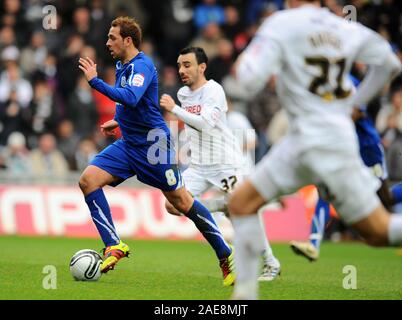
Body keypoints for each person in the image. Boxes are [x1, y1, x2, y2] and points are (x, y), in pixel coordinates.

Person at [227, 0, 402, 300]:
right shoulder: (342, 27)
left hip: (309, 141)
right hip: (330, 140)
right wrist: (355, 102)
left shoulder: (281, 23)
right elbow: (391, 64)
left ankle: (245, 295)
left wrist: (241, 66)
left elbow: (248, 79)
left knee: (242, 204)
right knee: (378, 232)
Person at [78, 17, 232, 281]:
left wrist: (95, 82)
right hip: (129, 144)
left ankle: (224, 253)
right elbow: (135, 104)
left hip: (154, 146)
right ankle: (114, 244)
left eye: (112, 38)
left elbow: (131, 96)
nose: (107, 42)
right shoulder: (122, 64)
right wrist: (120, 120)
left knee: (181, 202)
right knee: (88, 180)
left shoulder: (143, 66)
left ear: (127, 40)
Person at [160, 47, 280, 284]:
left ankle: (271, 263)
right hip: (199, 166)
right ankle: (223, 205)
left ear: (201, 67)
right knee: (172, 205)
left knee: (245, 212)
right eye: (180, 65)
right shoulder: (184, 94)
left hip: (225, 163)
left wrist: (174, 109)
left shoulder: (214, 90)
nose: (182, 70)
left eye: (187, 65)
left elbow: (205, 124)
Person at [291, 75, 402, 261]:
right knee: (324, 189)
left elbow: (358, 112)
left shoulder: (347, 81)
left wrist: (332, 122)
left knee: (386, 198)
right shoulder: (318, 83)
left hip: (367, 148)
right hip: (343, 148)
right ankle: (313, 243)